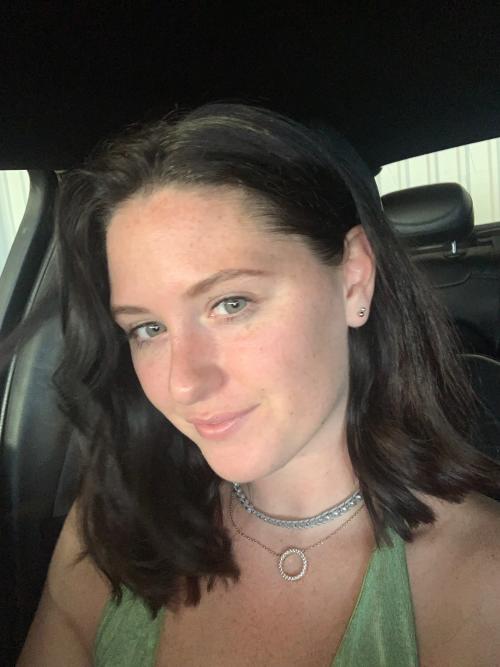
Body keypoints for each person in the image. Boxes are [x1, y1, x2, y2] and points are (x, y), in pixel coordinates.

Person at [16, 103, 500, 667]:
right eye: (148, 328)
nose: (184, 383)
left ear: (353, 279)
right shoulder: (108, 536)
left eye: (231, 303)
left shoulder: (479, 584)